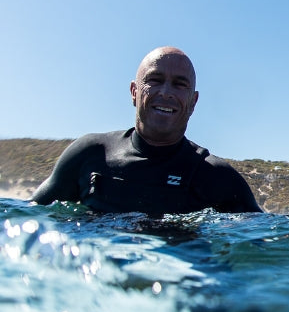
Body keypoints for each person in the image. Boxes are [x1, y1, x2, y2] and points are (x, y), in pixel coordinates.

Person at [32, 46, 262, 215]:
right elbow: (29, 217)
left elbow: (267, 246)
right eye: (155, 79)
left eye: (179, 84)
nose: (166, 92)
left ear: (193, 101)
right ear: (134, 91)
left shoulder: (216, 176)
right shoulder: (89, 154)